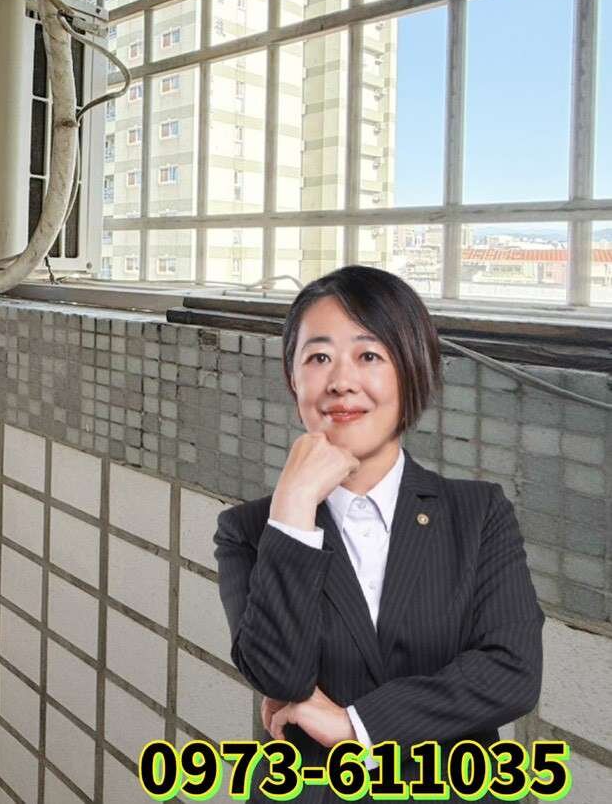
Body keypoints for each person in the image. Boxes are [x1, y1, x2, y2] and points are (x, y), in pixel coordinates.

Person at [213, 265, 543, 802]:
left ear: (411, 372)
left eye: (369, 356)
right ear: (293, 380)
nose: (341, 381)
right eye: (318, 358)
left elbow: (512, 673)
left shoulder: (478, 513)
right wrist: (294, 506)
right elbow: (281, 677)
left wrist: (356, 725)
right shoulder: (250, 530)